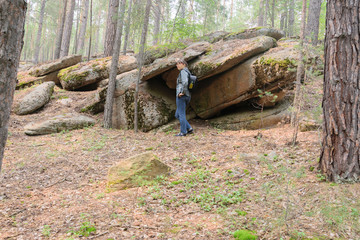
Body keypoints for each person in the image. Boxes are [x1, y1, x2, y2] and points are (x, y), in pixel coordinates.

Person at [175, 58, 193, 136]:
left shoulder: (183, 71)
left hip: (182, 96)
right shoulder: (187, 72)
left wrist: (181, 92)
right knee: (177, 115)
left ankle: (183, 132)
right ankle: (189, 128)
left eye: (179, 63)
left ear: (184, 64)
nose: (177, 65)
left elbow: (185, 82)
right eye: (177, 64)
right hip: (187, 95)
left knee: (181, 114)